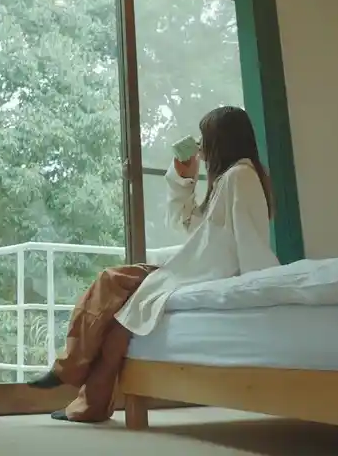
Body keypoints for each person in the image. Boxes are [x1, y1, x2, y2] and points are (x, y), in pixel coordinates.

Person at [27, 105, 280, 422]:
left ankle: (69, 373)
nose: (200, 147)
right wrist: (184, 179)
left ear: (221, 141)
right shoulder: (229, 180)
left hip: (203, 273)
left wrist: (257, 284)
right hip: (194, 269)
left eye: (205, 139)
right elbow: (191, 226)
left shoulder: (241, 176)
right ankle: (84, 398)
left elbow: (249, 238)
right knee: (118, 314)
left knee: (112, 289)